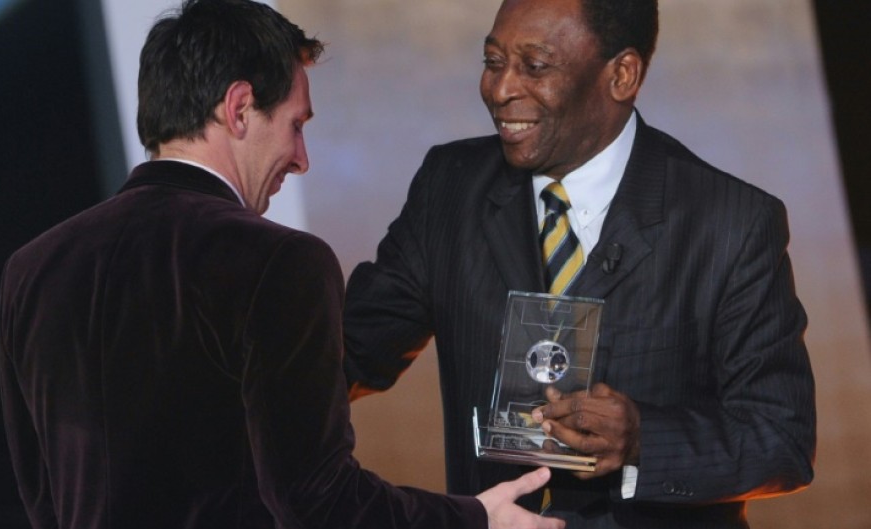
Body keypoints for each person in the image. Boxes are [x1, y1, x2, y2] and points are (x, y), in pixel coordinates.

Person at [0, 1, 565, 528]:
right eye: (296, 125)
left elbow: (40, 495)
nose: (301, 159)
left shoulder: (31, 270)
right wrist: (474, 519)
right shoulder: (279, 261)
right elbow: (320, 501)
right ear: (239, 107)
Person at [342, 0, 816, 527]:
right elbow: (346, 355)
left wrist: (642, 442)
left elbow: (783, 440)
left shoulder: (730, 223)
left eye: (535, 66)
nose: (500, 91)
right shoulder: (449, 189)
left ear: (621, 75)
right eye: (493, 61)